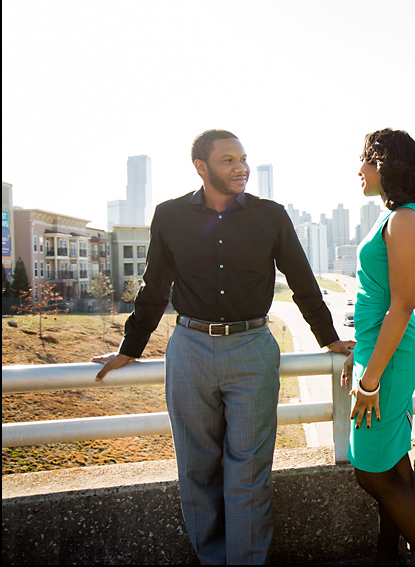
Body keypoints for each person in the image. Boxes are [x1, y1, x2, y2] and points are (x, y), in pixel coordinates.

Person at [92, 129, 354, 564]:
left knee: (248, 473)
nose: (242, 168)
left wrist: (328, 337)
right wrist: (130, 347)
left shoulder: (270, 215)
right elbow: (154, 287)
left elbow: (303, 281)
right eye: (229, 160)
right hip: (189, 348)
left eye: (244, 159)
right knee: (197, 471)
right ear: (201, 167)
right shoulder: (170, 215)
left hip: (252, 348)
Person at [342, 128, 415, 565]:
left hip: (390, 357)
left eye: (367, 159)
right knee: (392, 461)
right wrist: (359, 351)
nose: (360, 169)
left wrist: (369, 381)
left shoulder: (404, 218)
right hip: (378, 350)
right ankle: (388, 555)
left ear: (386, 166)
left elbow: (403, 304)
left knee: (371, 472)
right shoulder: (396, 217)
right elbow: (378, 298)